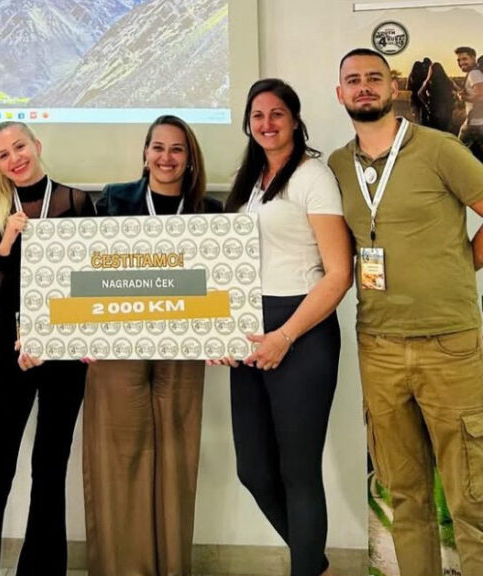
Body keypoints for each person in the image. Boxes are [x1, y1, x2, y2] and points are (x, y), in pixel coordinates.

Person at [329, 48, 483, 576]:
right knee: (405, 497)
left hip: (450, 344)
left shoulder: (439, 149)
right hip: (379, 346)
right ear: (340, 93)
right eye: (353, 80)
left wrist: (465, 261)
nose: (364, 86)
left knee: (472, 500)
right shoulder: (337, 166)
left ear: (393, 87)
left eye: (374, 77)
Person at [218, 79, 352, 576]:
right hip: (251, 328)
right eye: (257, 115)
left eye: (277, 113)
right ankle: (314, 564)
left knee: (298, 471)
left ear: (295, 120)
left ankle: (305, 569)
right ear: (248, 124)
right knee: (253, 470)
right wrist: (220, 331)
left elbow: (338, 274)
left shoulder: (313, 176)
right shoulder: (249, 181)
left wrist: (286, 335)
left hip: (302, 329)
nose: (267, 123)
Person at [0, 121, 93, 576]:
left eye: (20, 146)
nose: (14, 158)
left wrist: (79, 338)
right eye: (3, 154)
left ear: (37, 145)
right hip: (11, 352)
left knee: (50, 468)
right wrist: (9, 240)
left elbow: (90, 283)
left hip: (64, 352)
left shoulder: (77, 202)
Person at [82, 115, 221, 576]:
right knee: (119, 457)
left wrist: (222, 331)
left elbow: (220, 283)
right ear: (145, 154)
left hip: (183, 347)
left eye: (177, 149)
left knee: (177, 459)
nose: (166, 157)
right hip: (117, 346)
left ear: (190, 158)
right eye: (158, 147)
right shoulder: (113, 199)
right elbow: (85, 268)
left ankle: (171, 567)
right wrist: (79, 330)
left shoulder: (210, 211)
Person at [455, 46, 483, 160]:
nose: (461, 63)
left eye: (464, 59)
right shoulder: (478, 73)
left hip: (475, 124)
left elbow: (481, 96)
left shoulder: (474, 74)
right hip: (477, 122)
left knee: (458, 153)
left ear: (473, 58)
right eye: (459, 60)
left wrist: (463, 97)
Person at [416, 62, 458, 133]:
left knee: (435, 131)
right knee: (445, 130)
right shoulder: (448, 81)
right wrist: (453, 100)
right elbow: (458, 91)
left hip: (434, 108)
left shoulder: (429, 81)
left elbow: (420, 93)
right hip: (446, 109)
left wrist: (426, 103)